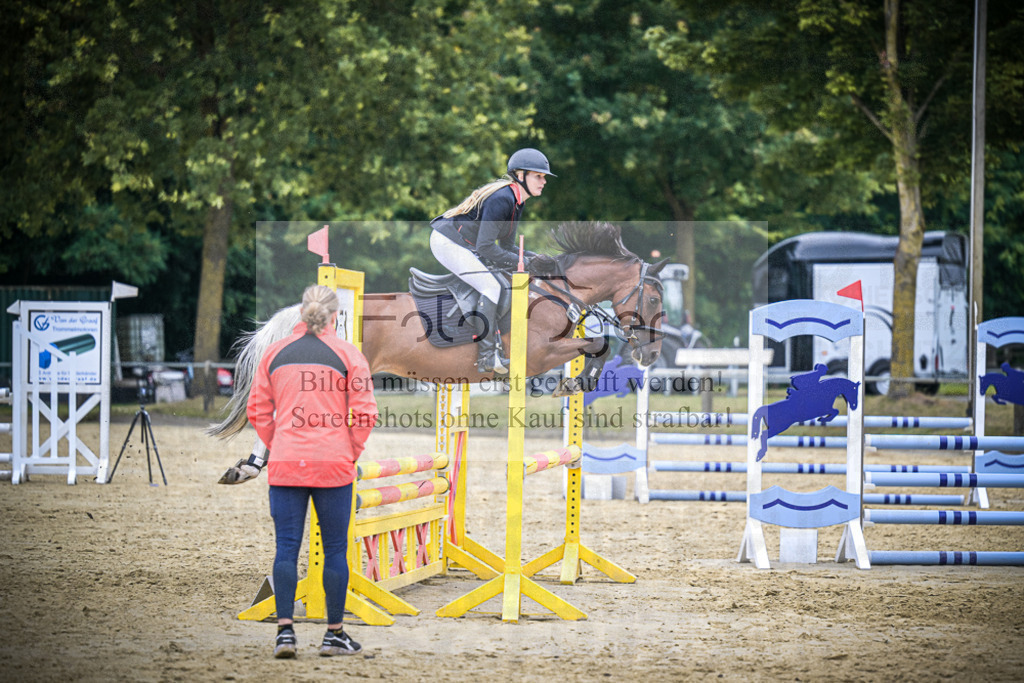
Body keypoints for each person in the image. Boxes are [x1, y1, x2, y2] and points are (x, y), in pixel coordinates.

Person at [246, 284, 378, 659]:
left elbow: (257, 410)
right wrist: (348, 451)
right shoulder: (348, 354)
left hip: (286, 463)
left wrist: (280, 442)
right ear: (335, 316)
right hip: (333, 465)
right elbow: (366, 414)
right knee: (336, 549)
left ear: (301, 312)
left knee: (286, 548)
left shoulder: (274, 353)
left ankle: (284, 633)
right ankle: (334, 634)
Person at [430, 147, 556, 374]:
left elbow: (507, 246)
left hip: (464, 244)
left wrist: (536, 258)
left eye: (544, 177)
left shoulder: (517, 201)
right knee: (491, 286)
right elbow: (486, 248)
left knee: (495, 282)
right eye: (538, 176)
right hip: (447, 242)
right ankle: (487, 355)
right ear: (520, 176)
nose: (543, 181)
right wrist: (527, 264)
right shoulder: (502, 199)